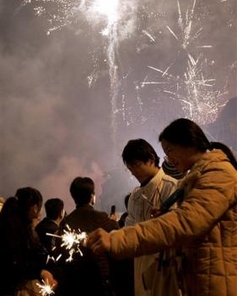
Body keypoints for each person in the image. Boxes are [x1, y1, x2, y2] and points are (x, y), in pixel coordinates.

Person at [86, 118, 237, 296]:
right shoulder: (195, 178)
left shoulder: (219, 174)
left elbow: (184, 223)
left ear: (189, 142)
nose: (169, 159)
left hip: (218, 279)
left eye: (170, 151)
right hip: (202, 277)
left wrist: (116, 239)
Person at [121, 138, 179, 296]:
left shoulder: (172, 187)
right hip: (140, 267)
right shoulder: (135, 195)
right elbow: (129, 230)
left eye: (136, 165)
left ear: (151, 159)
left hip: (165, 268)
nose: (133, 172)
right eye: (129, 168)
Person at [56, 176, 120, 296]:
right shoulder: (101, 217)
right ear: (92, 196)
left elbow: (62, 250)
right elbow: (116, 241)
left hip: (74, 279)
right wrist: (113, 222)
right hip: (98, 276)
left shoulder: (66, 221)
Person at [0, 187, 58, 296]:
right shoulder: (16, 228)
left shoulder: (16, 223)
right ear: (35, 207)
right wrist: (40, 271)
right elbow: (16, 262)